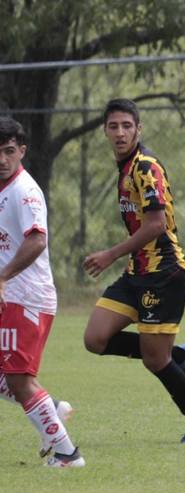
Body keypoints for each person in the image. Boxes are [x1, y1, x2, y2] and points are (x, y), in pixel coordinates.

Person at [82, 99, 185, 443]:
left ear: (138, 129)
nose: (120, 132)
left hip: (164, 273)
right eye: (113, 126)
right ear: (105, 131)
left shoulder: (146, 167)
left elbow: (156, 225)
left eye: (127, 126)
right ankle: (180, 355)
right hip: (136, 272)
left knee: (154, 360)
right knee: (95, 338)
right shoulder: (124, 169)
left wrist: (110, 254)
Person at [0, 116, 84, 467]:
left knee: (20, 380)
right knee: (14, 379)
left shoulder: (24, 191)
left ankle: (67, 454)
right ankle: (51, 408)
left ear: (22, 150)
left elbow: (36, 240)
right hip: (11, 295)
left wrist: (3, 277)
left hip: (25, 298)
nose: (2, 159)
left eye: (8, 151)